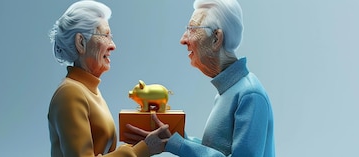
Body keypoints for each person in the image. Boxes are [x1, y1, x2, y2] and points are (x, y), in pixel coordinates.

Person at [126, 0, 275, 156]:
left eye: (192, 29)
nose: (183, 40)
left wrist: (179, 145)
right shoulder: (229, 91)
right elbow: (216, 150)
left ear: (216, 38)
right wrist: (177, 137)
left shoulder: (250, 95)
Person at [47, 1, 169, 156]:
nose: (113, 45)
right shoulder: (70, 93)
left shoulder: (88, 90)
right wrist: (141, 150)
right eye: (105, 35)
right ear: (81, 42)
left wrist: (138, 145)